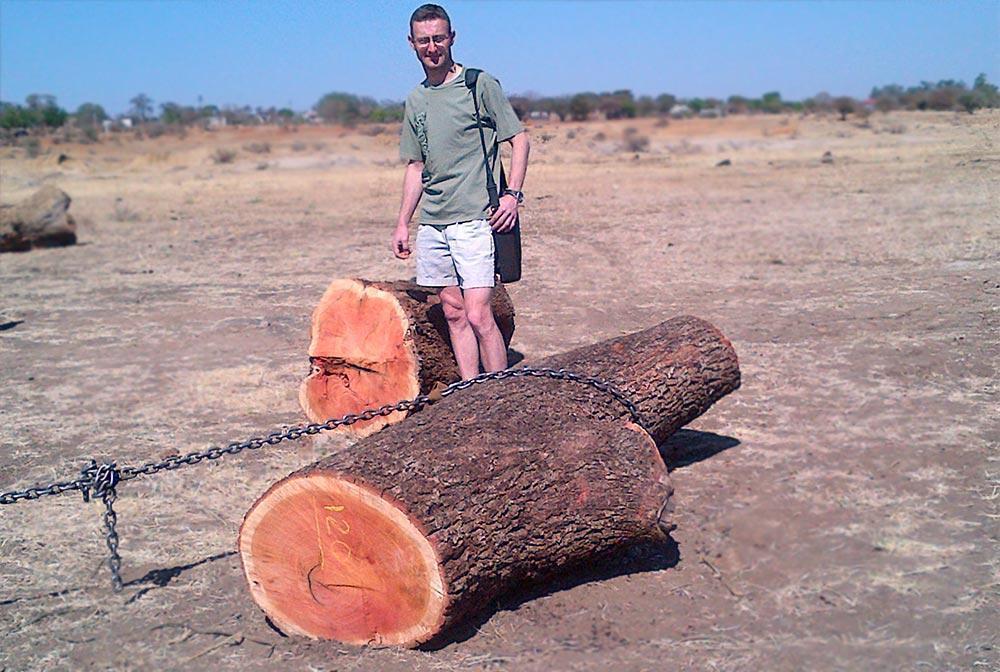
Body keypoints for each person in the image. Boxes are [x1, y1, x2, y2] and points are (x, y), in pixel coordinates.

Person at [393, 3, 530, 379]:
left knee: (478, 313)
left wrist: (512, 196)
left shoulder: (478, 84)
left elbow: (518, 139)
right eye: (424, 40)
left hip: (475, 220)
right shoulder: (416, 99)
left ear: (452, 38)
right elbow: (416, 167)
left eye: (439, 38)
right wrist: (403, 222)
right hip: (434, 223)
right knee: (453, 312)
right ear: (412, 44)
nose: (432, 47)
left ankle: (499, 391)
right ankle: (471, 393)